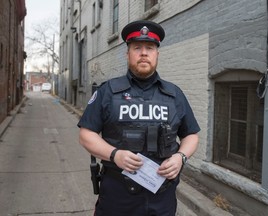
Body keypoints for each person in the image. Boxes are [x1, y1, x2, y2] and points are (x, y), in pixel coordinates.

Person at [78, 20, 200, 216]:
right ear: (128, 54)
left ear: (157, 54)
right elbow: (86, 134)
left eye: (149, 48)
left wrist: (181, 157)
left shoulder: (174, 94)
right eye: (137, 48)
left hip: (162, 197)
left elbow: (191, 135)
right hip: (117, 196)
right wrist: (114, 154)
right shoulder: (108, 91)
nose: (144, 53)